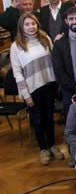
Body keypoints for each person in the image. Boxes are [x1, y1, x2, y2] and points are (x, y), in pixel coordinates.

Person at [10, 13, 62, 165]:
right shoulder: (16, 46)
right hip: (32, 89)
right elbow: (17, 72)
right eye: (27, 24)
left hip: (49, 84)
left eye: (33, 24)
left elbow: (54, 59)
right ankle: (43, 149)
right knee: (38, 120)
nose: (31, 27)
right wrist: (25, 94)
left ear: (37, 25)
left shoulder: (45, 39)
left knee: (49, 117)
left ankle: (52, 145)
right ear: (21, 27)